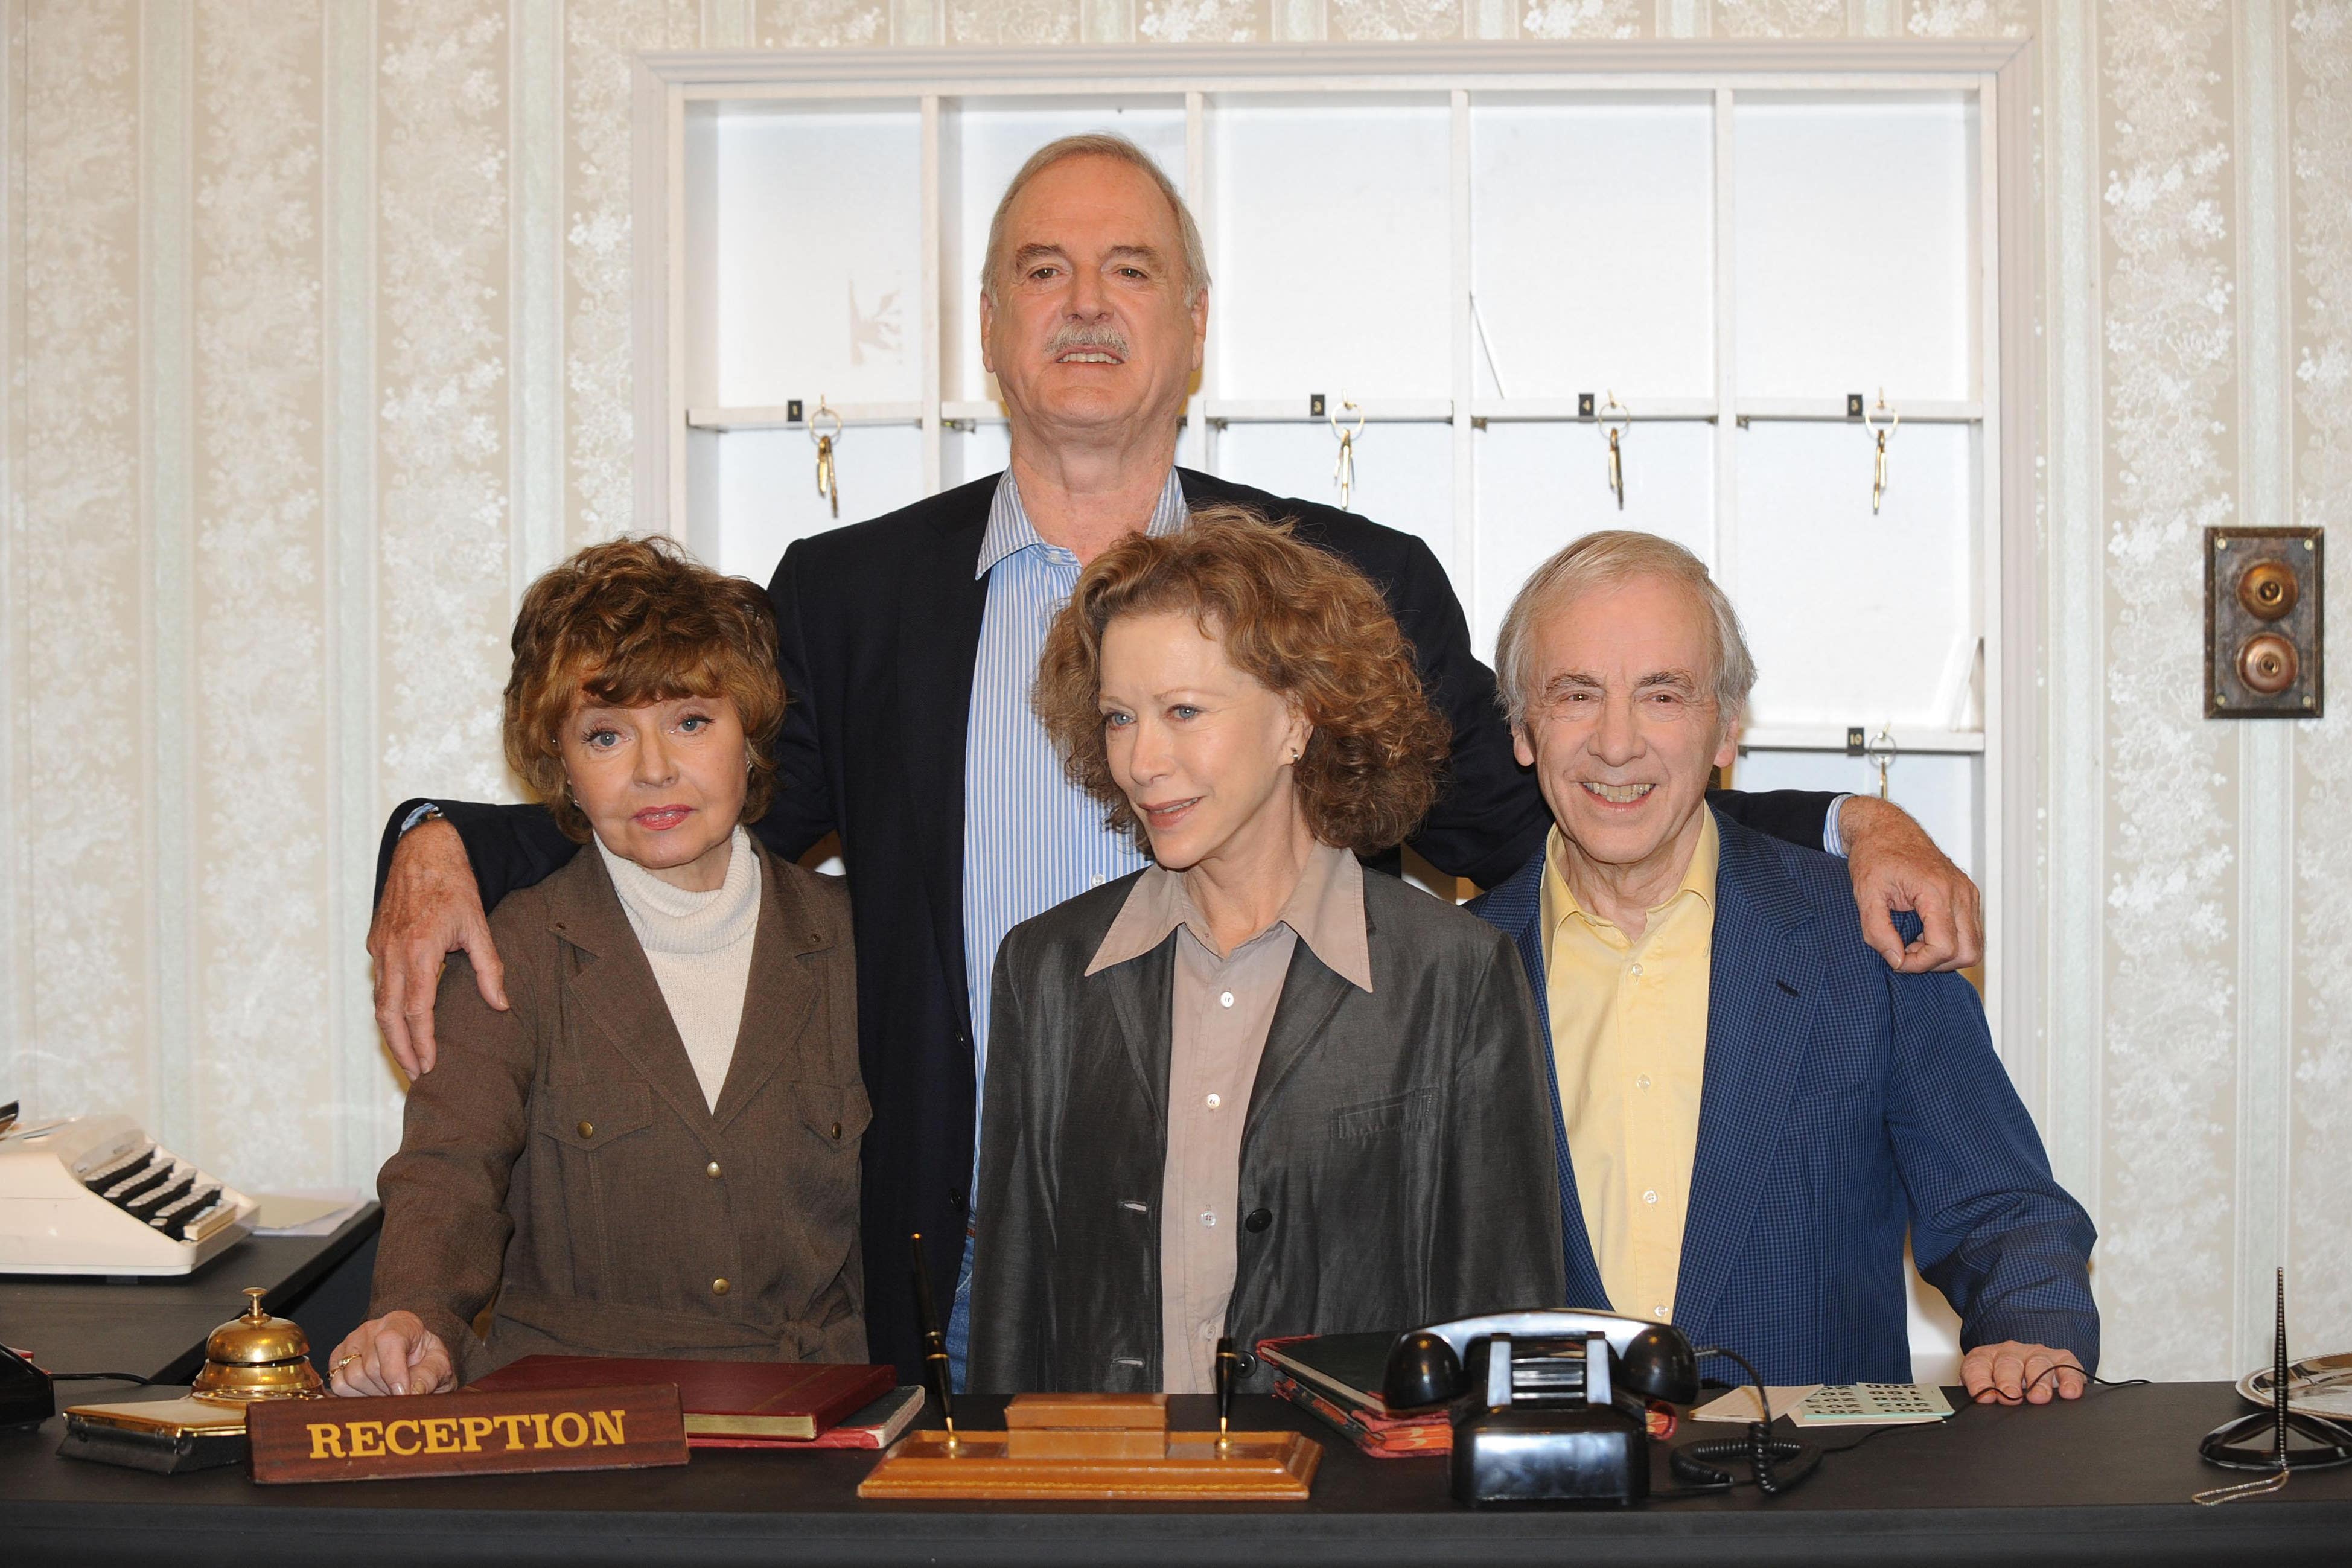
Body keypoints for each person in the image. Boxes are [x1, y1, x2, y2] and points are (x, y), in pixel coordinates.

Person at [366, 132, 1980, 1375]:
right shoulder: (847, 597)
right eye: (1044, 269)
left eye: (1128, 270)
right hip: (950, 1275)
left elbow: (1549, 802)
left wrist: (1834, 818)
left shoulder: (1347, 587)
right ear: (989, 323)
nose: (1085, 304)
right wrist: (448, 833)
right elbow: (691, 815)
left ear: (1194, 324)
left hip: (1287, 1285)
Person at [1470, 531, 2097, 1403]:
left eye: (1662, 694)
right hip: (1542, 1512)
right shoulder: (1448, 975)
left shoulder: (1866, 941)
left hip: (1817, 1506)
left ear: (1728, 726)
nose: (1616, 743)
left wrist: (2030, 1336)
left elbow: (2005, 1213)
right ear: (1523, 730)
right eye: (1576, 694)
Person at [968, 512, 1563, 1394]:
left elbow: (1503, 1325)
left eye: (1182, 711)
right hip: (1100, 1510)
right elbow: (1011, 1317)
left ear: (1297, 717)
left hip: (1349, 1515)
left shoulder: (1452, 977)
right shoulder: (1047, 971)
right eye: (1119, 717)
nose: (1141, 759)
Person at [330, 538, 867, 1395]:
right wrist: (414, 1315)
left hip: (814, 1418)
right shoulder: (514, 948)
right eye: (607, 734)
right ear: (563, 768)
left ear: (752, 736)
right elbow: (448, 1170)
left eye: (692, 721)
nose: (654, 770)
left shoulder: (853, 943)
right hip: (574, 1418)